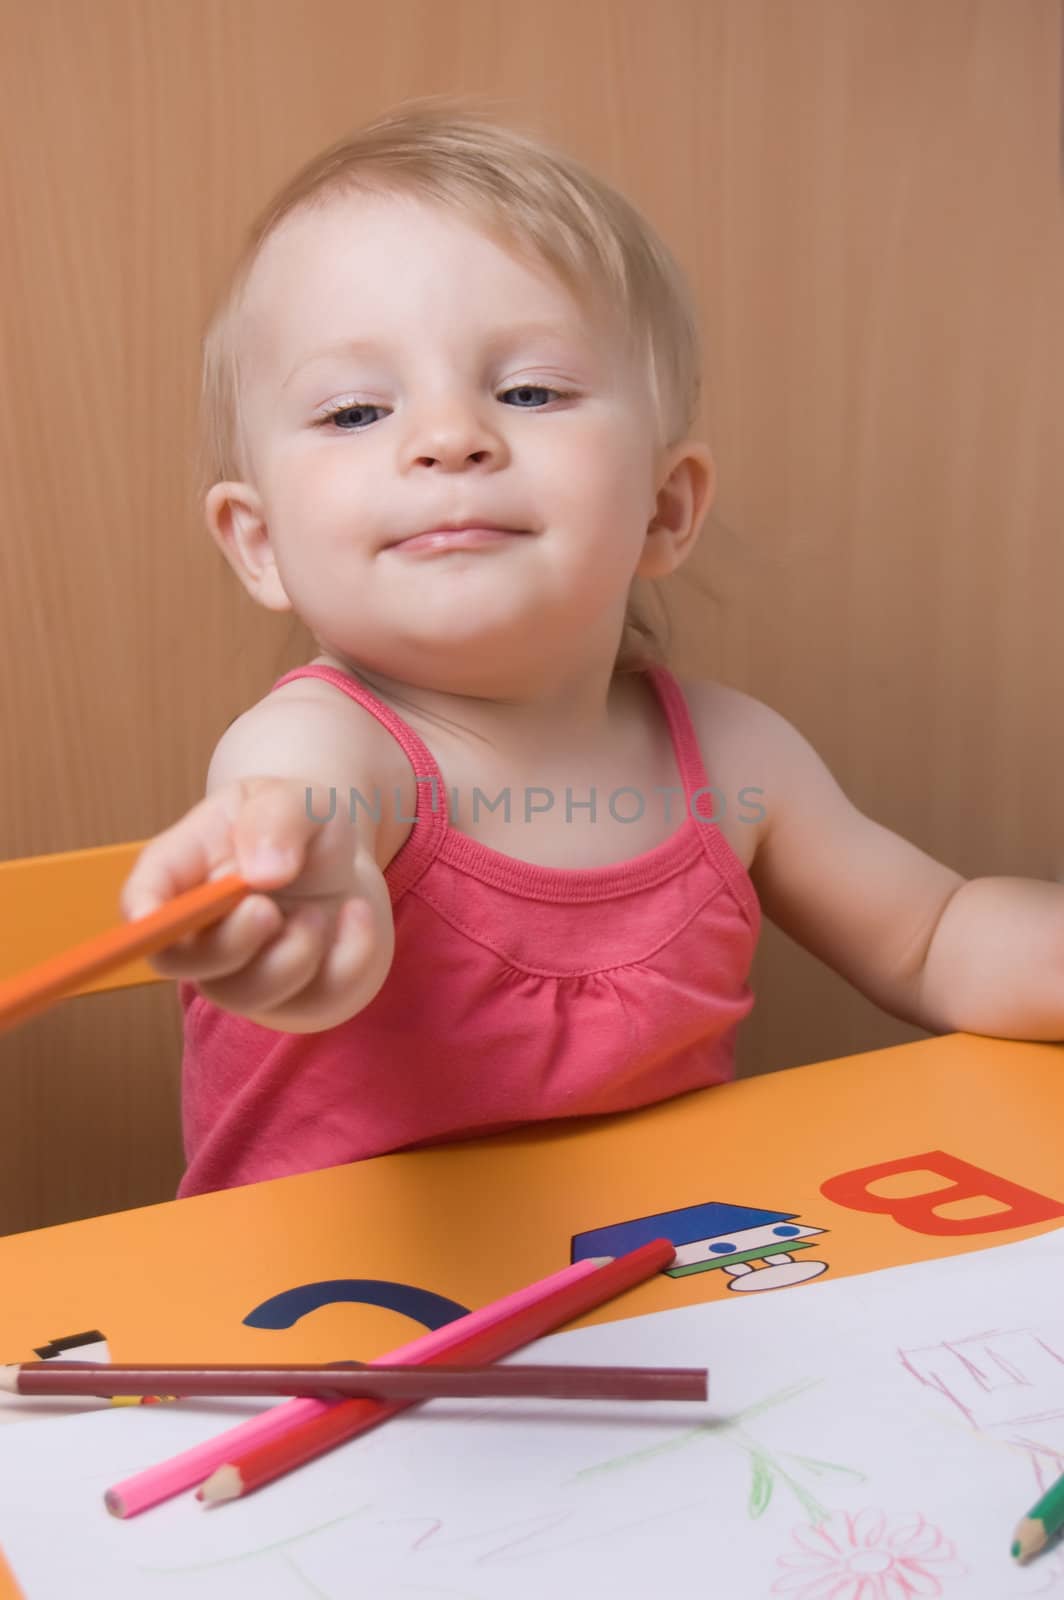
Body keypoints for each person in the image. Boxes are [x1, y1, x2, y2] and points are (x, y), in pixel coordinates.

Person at [122, 98, 1064, 1198]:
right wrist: (302, 900)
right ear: (260, 541)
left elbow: (934, 936)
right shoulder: (321, 743)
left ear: (664, 508)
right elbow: (304, 816)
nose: (447, 437)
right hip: (331, 1334)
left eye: (527, 391)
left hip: (659, 1291)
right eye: (353, 413)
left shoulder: (735, 758)